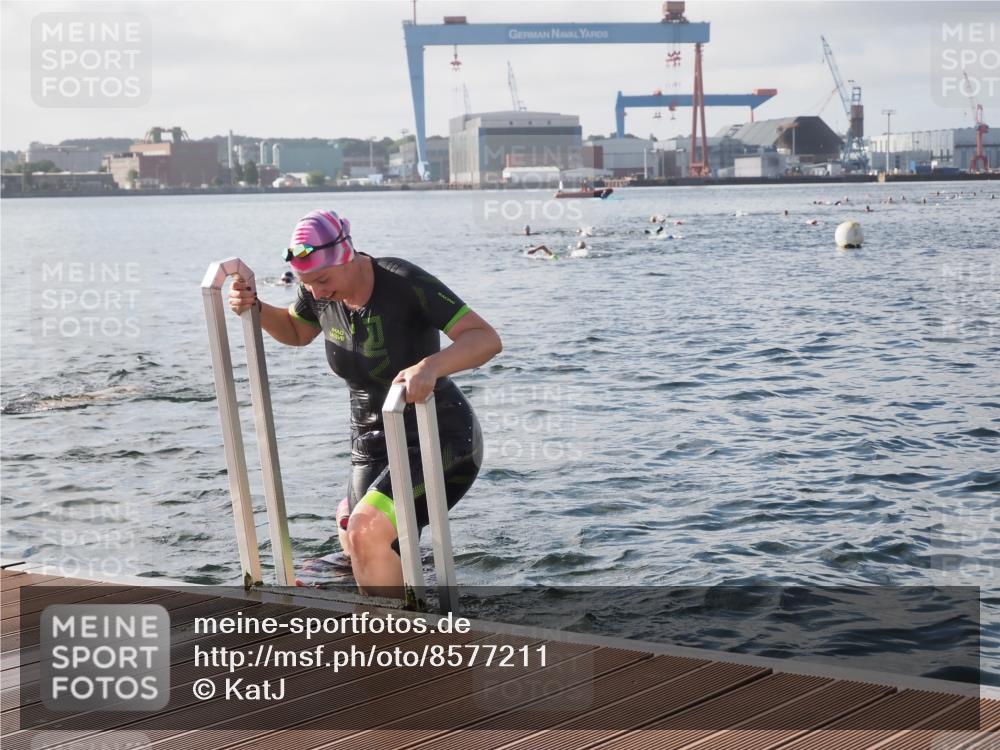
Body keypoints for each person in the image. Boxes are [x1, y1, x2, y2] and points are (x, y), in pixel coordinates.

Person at [227, 209, 502, 596]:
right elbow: (295, 330)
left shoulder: (403, 282)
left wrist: (430, 366)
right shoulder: (317, 293)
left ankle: (392, 642)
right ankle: (404, 610)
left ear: (347, 256)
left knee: (364, 532)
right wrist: (255, 308)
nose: (317, 292)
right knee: (362, 538)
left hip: (436, 437)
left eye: (322, 279)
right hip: (370, 442)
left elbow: (485, 338)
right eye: (308, 283)